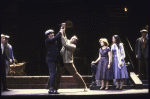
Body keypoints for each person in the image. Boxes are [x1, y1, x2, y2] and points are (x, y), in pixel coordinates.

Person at [55, 24, 88, 92]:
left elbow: (65, 44)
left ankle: (84, 86)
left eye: (75, 39)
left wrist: (62, 35)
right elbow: (64, 35)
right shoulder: (67, 40)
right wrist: (63, 27)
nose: (73, 39)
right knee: (57, 74)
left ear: (76, 42)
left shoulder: (73, 46)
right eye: (73, 38)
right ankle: (55, 88)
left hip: (68, 63)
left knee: (75, 75)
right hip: (62, 62)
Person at [45, 28, 63, 94]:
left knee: (53, 73)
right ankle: (51, 88)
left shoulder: (53, 41)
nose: (52, 34)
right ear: (48, 35)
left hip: (54, 59)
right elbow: (55, 38)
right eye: (51, 33)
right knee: (53, 73)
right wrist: (60, 32)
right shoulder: (47, 40)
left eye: (53, 33)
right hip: (50, 60)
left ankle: (49, 85)